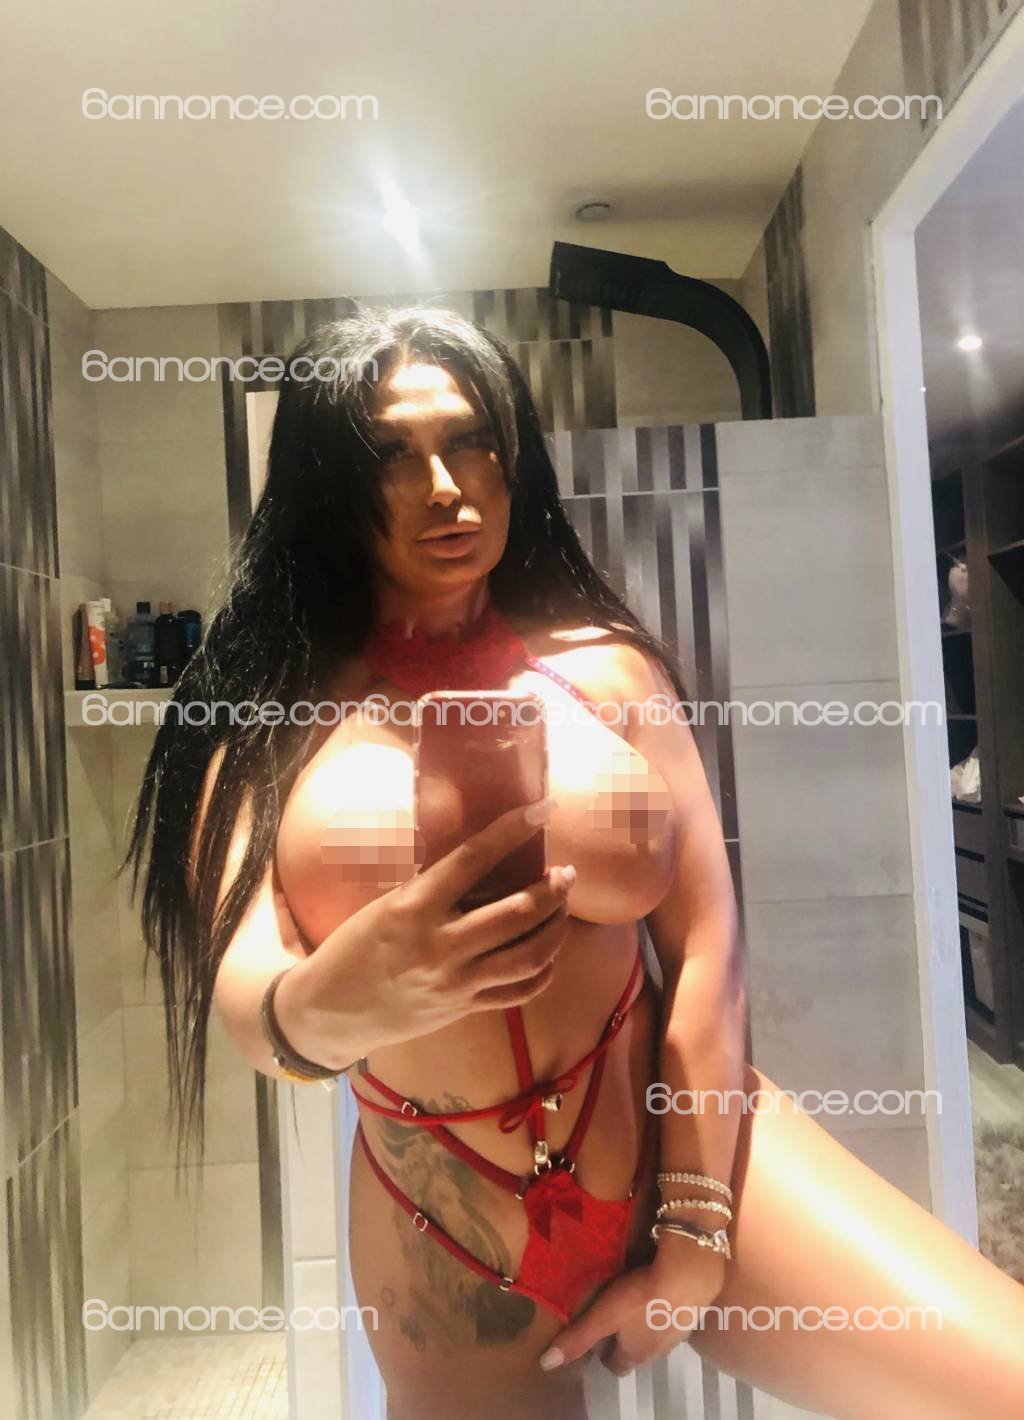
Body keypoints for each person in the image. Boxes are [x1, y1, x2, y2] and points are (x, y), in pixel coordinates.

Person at [126, 307, 1024, 1420]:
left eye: (471, 440)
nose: (446, 486)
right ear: (326, 481)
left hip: (681, 1157)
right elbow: (245, 996)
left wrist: (695, 1234)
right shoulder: (262, 722)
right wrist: (329, 1002)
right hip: (442, 1236)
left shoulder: (610, 674)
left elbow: (708, 951)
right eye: (392, 454)